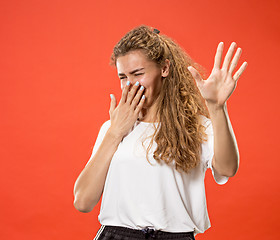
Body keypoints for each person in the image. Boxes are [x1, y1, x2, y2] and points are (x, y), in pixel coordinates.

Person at [73, 25, 247, 240]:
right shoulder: (112, 129)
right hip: (116, 235)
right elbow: (83, 201)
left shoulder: (197, 127)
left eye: (138, 73)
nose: (129, 85)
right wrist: (115, 132)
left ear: (164, 68)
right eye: (122, 77)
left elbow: (228, 168)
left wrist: (216, 107)